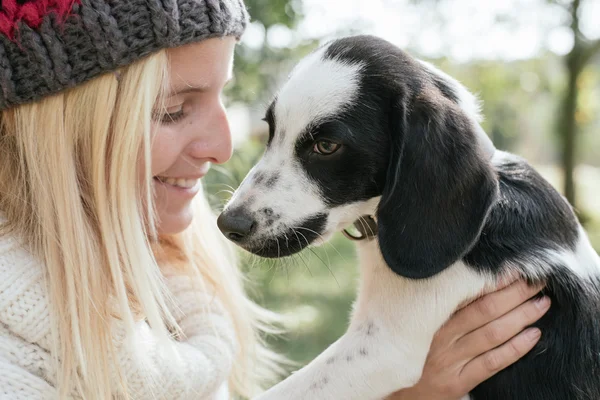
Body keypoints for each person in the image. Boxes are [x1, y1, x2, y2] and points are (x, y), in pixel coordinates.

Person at [0, 1, 549, 399]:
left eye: (225, 97)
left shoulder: (179, 273)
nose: (222, 147)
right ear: (58, 130)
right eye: (172, 110)